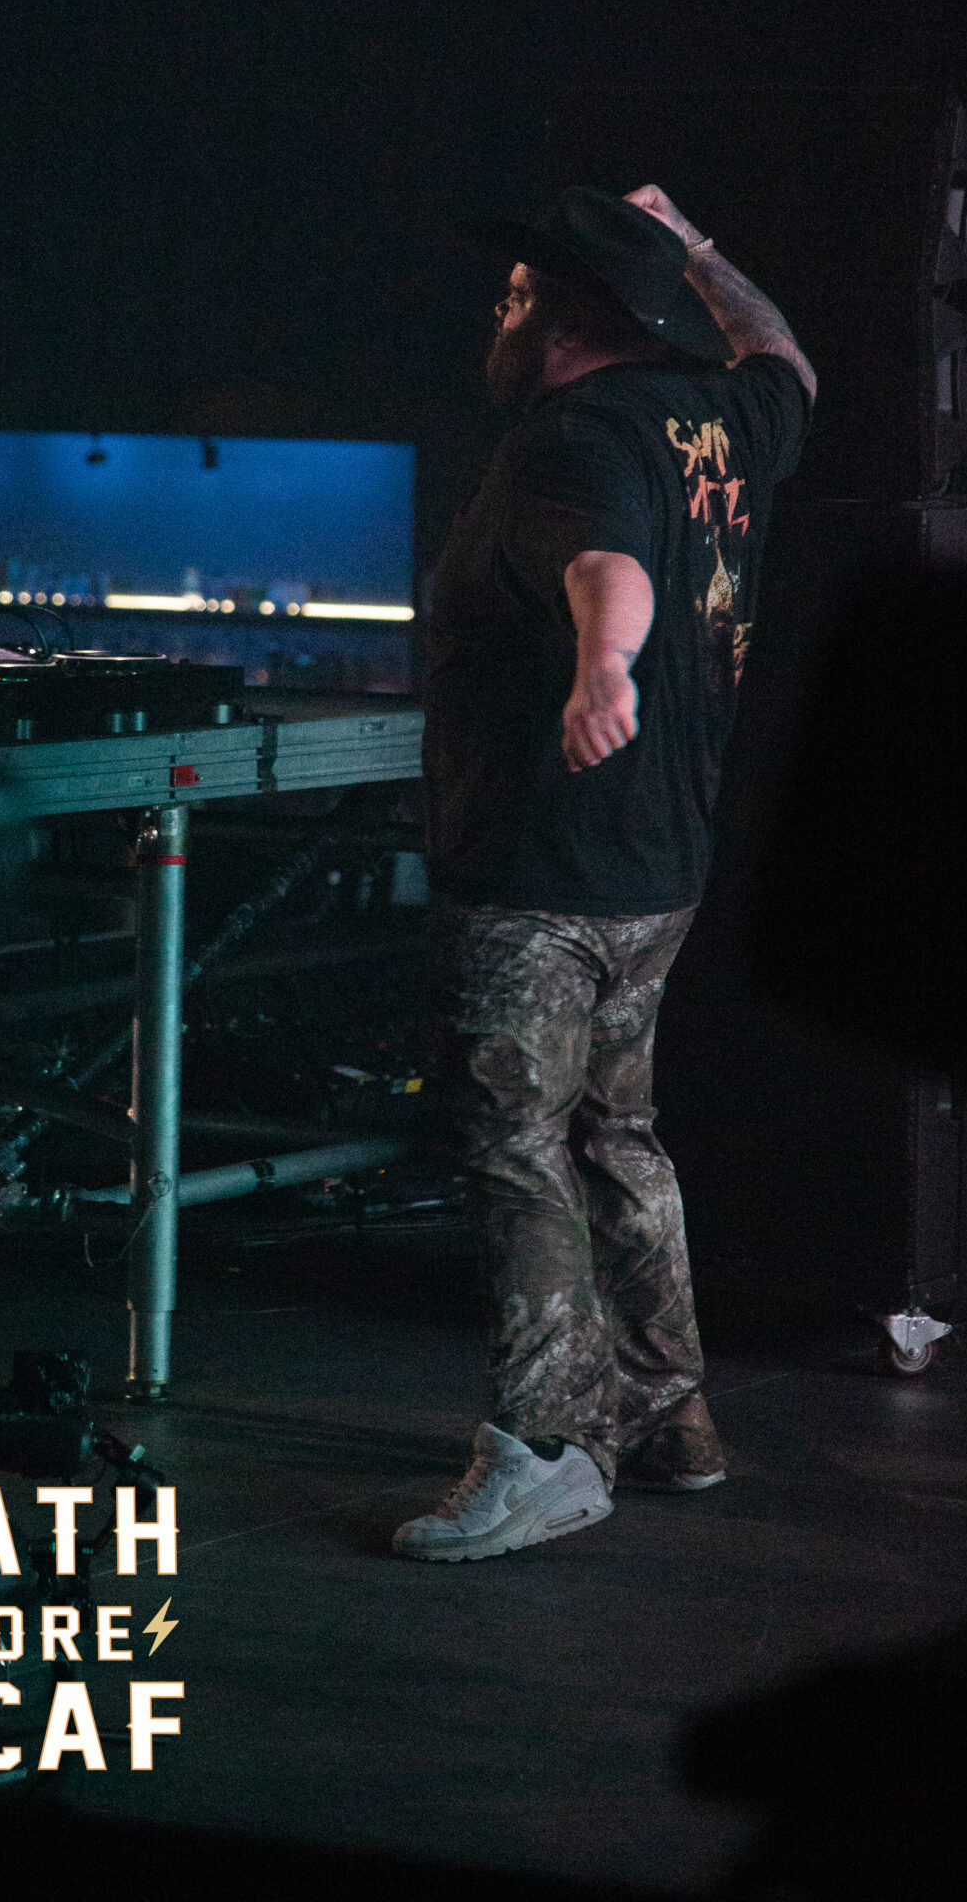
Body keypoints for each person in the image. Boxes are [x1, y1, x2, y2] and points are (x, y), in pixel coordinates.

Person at [394, 183, 814, 1562]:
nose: (499, 312)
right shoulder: (725, 418)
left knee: (516, 1145)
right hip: (658, 863)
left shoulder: (568, 437)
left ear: (567, 322)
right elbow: (788, 362)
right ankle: (668, 1416)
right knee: (617, 1135)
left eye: (517, 296)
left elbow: (604, 564)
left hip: (541, 868)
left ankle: (549, 1448)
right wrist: (700, 247)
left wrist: (605, 668)